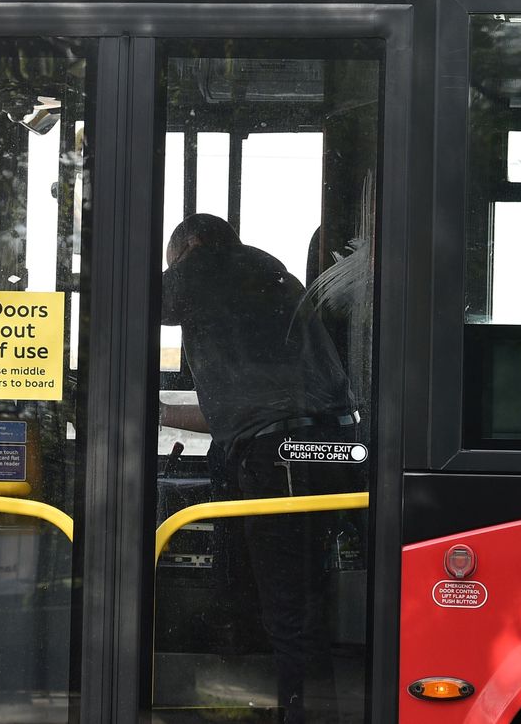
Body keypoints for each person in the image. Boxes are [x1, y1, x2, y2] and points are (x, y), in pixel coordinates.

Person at [159, 213, 364, 724]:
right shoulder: (265, 276)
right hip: (318, 447)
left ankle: (307, 716)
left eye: (173, 263)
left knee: (289, 606)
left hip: (280, 455)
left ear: (192, 246)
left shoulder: (208, 261)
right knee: (302, 597)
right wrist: (160, 413)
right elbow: (247, 407)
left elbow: (130, 299)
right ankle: (310, 707)